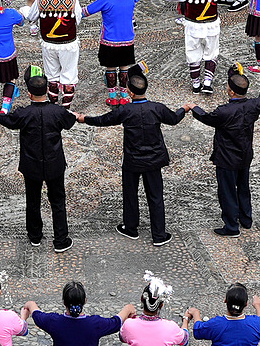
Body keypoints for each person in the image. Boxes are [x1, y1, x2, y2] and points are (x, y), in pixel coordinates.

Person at [79, 68, 188, 244]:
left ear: (129, 92)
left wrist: (84, 118)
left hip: (132, 159)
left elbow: (104, 120)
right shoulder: (157, 108)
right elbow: (174, 118)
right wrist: (184, 108)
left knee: (130, 194)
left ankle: (131, 228)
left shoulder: (125, 110)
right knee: (155, 196)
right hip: (154, 159)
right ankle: (159, 234)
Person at [190, 67, 260, 235]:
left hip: (226, 159)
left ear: (231, 91)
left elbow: (206, 118)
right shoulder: (253, 105)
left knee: (227, 192)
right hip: (245, 156)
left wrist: (194, 107)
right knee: (243, 188)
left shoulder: (223, 112)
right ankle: (246, 219)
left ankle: (231, 226)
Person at [1, 67, 76, 250]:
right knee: (58, 200)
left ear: (29, 94)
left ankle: (35, 235)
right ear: (47, 91)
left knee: (32, 200)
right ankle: (60, 239)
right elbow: (70, 122)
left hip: (31, 164)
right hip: (54, 162)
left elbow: (8, 121)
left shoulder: (23, 113)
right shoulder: (57, 112)